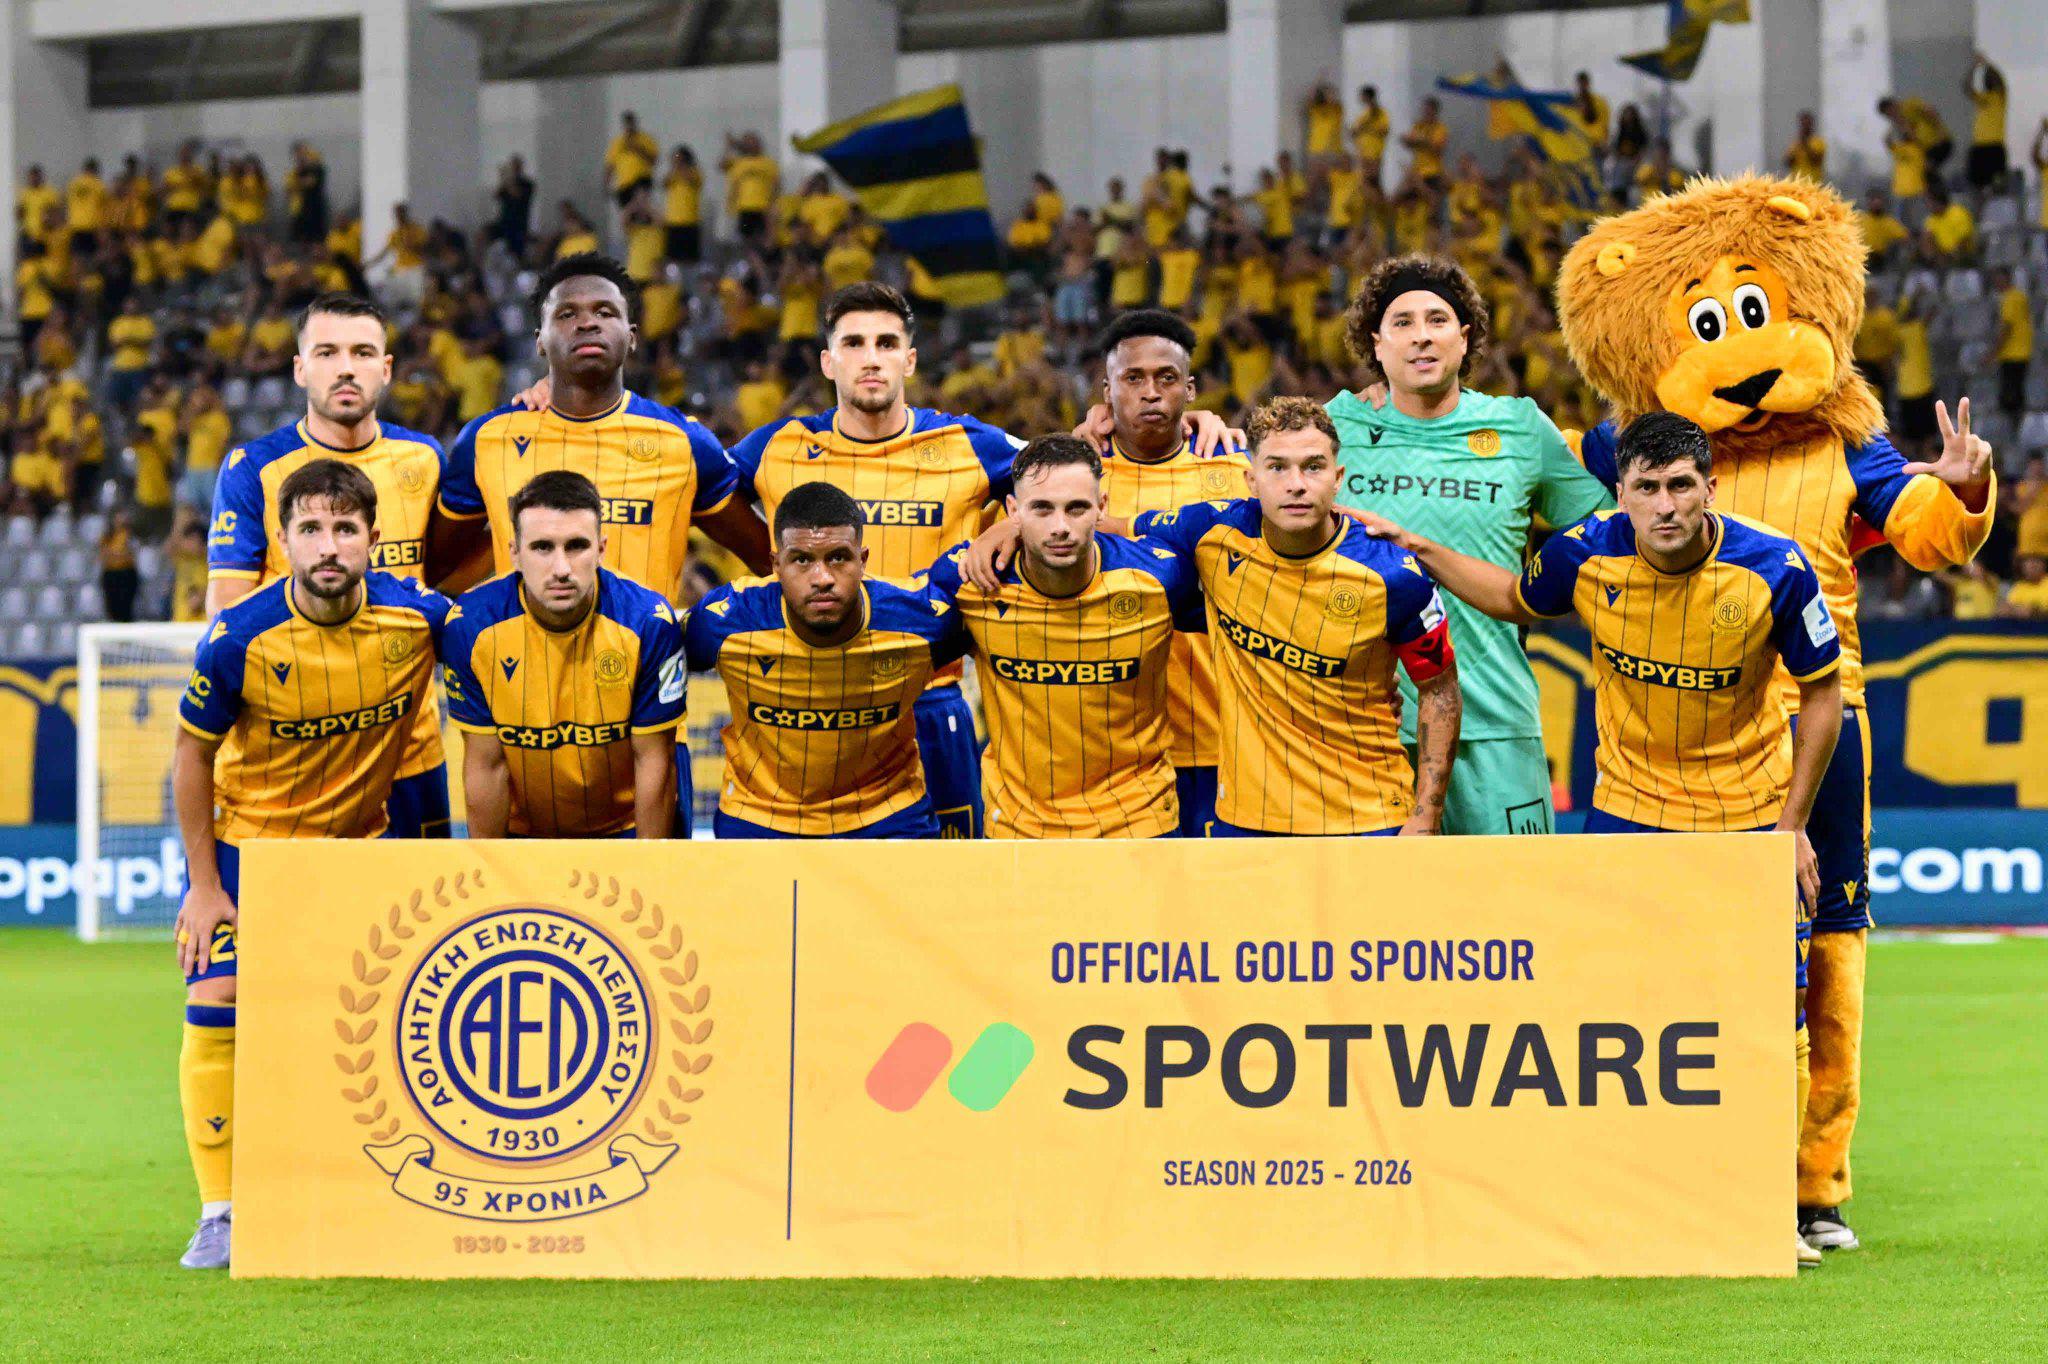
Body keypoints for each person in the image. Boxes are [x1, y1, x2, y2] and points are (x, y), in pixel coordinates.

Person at [1354, 411, 1843, 1271]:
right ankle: (1639, 1195)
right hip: (1629, 814)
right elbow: (1514, 598)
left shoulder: (1777, 567)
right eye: (1646, 488)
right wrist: (1420, 547)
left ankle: (1774, 1203)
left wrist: (1792, 825)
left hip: (1743, 819)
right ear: (1621, 494)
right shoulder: (1583, 553)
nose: (1665, 505)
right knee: (1623, 1011)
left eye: (1680, 486)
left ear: (1710, 488)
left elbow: (1822, 694)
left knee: (1768, 1017)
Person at [1576, 378, 1995, 1255]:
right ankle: (1663, 1173)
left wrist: (1963, 493)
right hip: (1687, 726)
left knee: (1826, 948)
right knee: (1651, 962)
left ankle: (1812, 1183)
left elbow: (1929, 536)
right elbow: (1540, 487)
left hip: (1822, 711)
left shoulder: (1845, 441)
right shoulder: (1642, 445)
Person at [171, 459, 452, 1270]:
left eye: (345, 529)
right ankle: (220, 1211)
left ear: (374, 539)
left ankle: (373, 1193)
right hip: (250, 849)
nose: (329, 547)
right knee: (217, 996)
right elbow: (190, 755)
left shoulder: (419, 620)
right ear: (284, 541)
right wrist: (203, 887)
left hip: (358, 854)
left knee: (382, 1020)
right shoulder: (239, 637)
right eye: (311, 530)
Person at [974, 398, 1461, 836]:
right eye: (1277, 467)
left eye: (1313, 467)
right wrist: (1009, 530)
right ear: (1250, 479)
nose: (1296, 484)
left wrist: (1426, 816)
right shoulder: (1212, 530)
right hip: (1245, 818)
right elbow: (1107, 525)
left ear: (1338, 477)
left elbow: (1440, 690)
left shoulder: (1393, 575)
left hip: (1369, 815)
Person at [1330, 256, 1610, 834]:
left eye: (1437, 320)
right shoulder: (1334, 427)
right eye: (1402, 322)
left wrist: (1539, 594)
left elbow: (1603, 531)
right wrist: (1200, 422)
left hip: (1496, 721)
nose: (1421, 335)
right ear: (1377, 344)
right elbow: (1252, 488)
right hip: (1364, 728)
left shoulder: (1521, 427)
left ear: (1464, 338)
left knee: (1517, 891)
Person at [205, 292, 454, 839]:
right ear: (300, 369)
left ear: (386, 369)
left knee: (423, 894)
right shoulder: (255, 468)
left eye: (363, 353)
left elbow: (450, 585)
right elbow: (227, 609)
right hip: (300, 752)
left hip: (407, 745)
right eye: (326, 353)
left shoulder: (425, 459)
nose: (346, 368)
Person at [428, 251, 771, 603]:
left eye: (605, 312)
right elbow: (434, 570)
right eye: (567, 314)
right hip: (523, 640)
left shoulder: (684, 443)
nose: (587, 323)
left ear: (632, 336)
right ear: (539, 340)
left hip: (645, 641)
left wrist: (709, 624)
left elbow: (771, 561)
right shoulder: (486, 440)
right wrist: (514, 530)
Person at [925, 435, 1202, 839]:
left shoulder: (1161, 578)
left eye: (1077, 508)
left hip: (1139, 823)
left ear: (1102, 507)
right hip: (1020, 830)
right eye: (1042, 508)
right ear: (1013, 511)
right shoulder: (971, 581)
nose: (1060, 527)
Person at [684, 482, 960, 838]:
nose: (823, 579)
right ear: (775, 565)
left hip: (889, 816)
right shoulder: (723, 623)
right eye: (802, 560)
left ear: (863, 561)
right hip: (758, 817)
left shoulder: (922, 620)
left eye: (839, 558)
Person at [439, 471, 686, 839]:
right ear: (515, 554)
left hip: (624, 829)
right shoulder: (470, 628)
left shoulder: (649, 624)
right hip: (523, 835)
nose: (561, 569)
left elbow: (653, 760)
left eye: (576, 546)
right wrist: (489, 866)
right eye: (542, 547)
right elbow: (487, 766)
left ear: (601, 550)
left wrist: (646, 864)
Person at [1089, 309, 1249, 835]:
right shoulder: (1074, 479)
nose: (1151, 393)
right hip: (1112, 755)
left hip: (1224, 743)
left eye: (1167, 378)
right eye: (1133, 379)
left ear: (1191, 390)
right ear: (1107, 391)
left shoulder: (1238, 471)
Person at [1964, 54, 2008, 192]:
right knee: (1975, 183)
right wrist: (1974, 68)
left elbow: (2000, 82)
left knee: (1998, 184)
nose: (1989, 80)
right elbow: (1966, 87)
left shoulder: (2000, 96)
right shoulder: (1982, 97)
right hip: (1979, 145)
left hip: (1995, 145)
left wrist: (1987, 65)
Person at [1785, 110, 1827, 182]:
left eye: (1807, 124)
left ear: (1811, 125)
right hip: (1797, 183)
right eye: (1803, 124)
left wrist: (1805, 144)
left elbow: (1816, 161)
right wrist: (1797, 148)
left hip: (1813, 183)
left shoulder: (1818, 142)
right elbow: (1788, 163)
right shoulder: (1796, 143)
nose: (1804, 127)